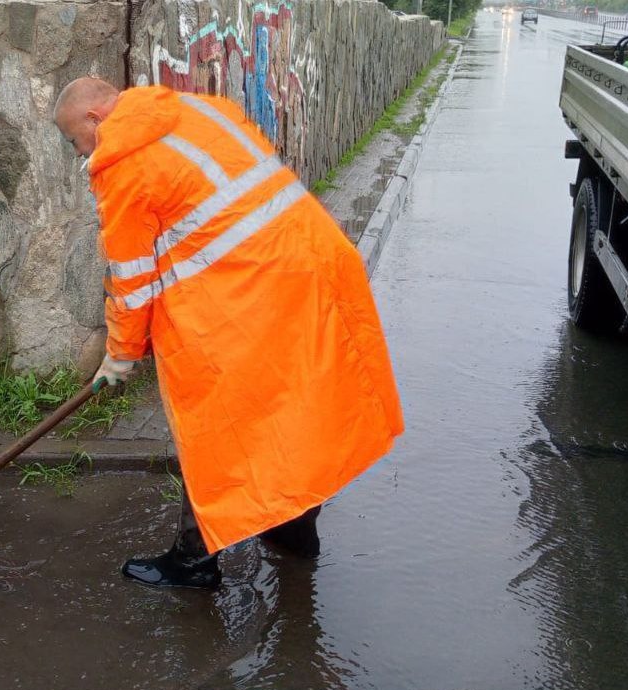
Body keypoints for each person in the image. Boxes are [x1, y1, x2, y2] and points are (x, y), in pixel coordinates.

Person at [53, 77, 405, 589]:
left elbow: (131, 277)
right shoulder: (197, 110)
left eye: (73, 140)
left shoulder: (124, 162)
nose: (78, 153)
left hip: (253, 294)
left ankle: (194, 561)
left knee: (212, 424)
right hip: (313, 266)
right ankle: (293, 529)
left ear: (93, 119)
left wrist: (121, 354)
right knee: (294, 410)